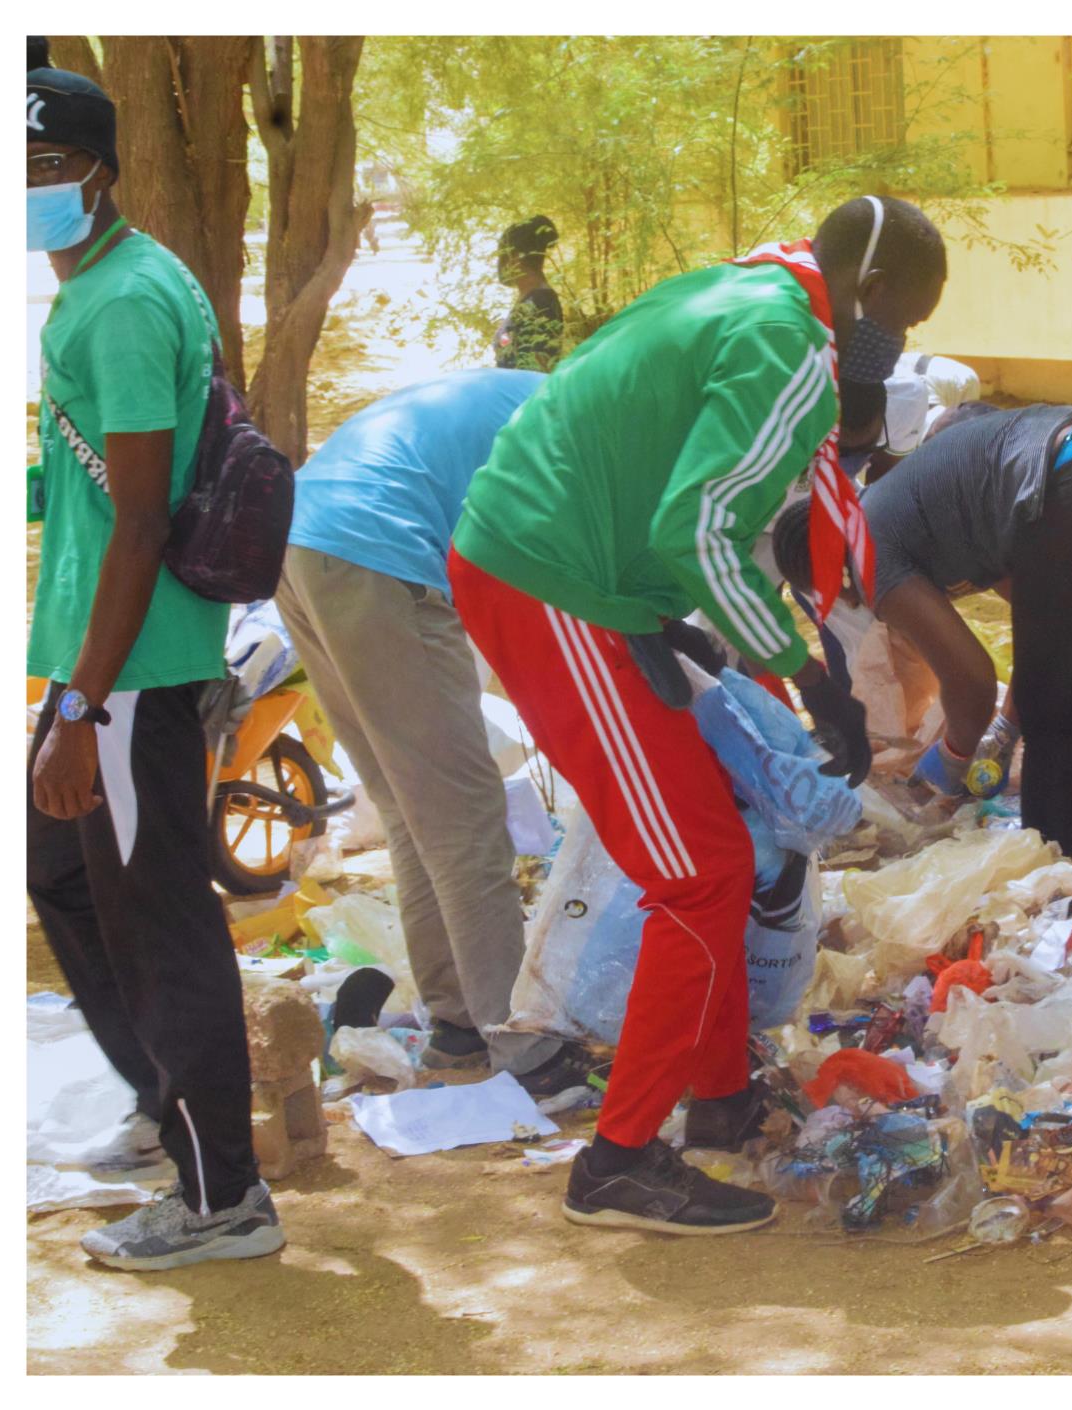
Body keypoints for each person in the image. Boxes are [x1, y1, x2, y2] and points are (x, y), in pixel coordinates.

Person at [449, 194, 946, 1235]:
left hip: (578, 577)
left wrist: (755, 655)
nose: (896, 343)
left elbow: (677, 492)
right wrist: (805, 674)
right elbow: (700, 525)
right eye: (903, 318)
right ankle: (619, 1161)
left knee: (714, 851)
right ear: (872, 290)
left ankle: (718, 1097)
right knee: (699, 868)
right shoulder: (781, 339)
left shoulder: (742, 290)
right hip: (555, 583)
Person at [25, 64, 284, 1270]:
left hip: (127, 673)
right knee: (63, 875)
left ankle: (222, 1195)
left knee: (160, 923)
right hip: (106, 663)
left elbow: (139, 517)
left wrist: (81, 703)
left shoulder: (120, 302)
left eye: (44, 170)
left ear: (98, 171)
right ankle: (163, 1105)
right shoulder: (116, 281)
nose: (25, 192)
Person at [271, 370, 594, 1095]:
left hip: (302, 545)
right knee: (464, 814)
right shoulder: (591, 431)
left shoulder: (544, 398)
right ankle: (521, 1042)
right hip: (375, 550)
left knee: (414, 810)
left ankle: (456, 1025)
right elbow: (561, 592)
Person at [774, 400, 1072, 855]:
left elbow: (972, 681)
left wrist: (951, 757)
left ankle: (1052, 872)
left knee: (1053, 718)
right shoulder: (910, 511)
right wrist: (1004, 730)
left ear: (835, 575)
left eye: (839, 596)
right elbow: (1042, 624)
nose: (854, 602)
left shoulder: (871, 546)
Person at [493, 215, 563, 372]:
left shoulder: (540, 303)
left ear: (516, 257)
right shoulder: (529, 299)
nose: (499, 265)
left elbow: (537, 367)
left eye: (503, 257)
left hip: (522, 393)